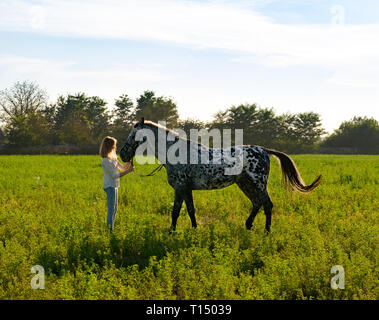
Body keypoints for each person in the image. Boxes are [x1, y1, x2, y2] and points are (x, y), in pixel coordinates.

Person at [99, 136, 133, 231]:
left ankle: (111, 229)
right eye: (114, 145)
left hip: (115, 186)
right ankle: (110, 232)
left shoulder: (113, 158)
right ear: (110, 146)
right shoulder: (105, 161)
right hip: (109, 187)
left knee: (115, 210)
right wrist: (129, 171)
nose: (115, 147)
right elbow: (115, 175)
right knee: (111, 210)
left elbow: (122, 168)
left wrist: (129, 162)